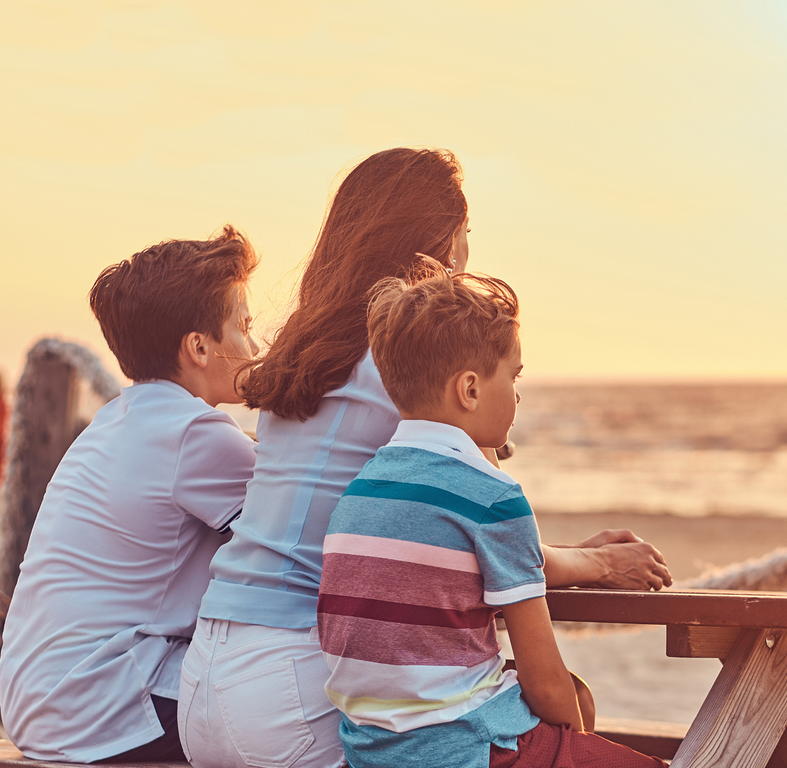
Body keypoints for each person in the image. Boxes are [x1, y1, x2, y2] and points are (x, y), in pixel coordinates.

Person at [179, 147, 672, 768]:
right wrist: (596, 564)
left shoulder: (303, 356)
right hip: (296, 690)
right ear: (442, 245)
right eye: (466, 236)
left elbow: (423, 534)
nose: (467, 256)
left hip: (206, 676)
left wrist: (562, 555)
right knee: (550, 710)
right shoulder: (401, 366)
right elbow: (470, 523)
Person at [319, 267, 666, 768]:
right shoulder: (493, 498)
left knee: (579, 700)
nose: (519, 394)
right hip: (469, 750)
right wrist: (575, 752)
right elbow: (544, 684)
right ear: (470, 390)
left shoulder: (361, 492)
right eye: (514, 375)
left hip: (373, 753)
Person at [0, 227, 259, 763]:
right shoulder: (196, 433)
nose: (255, 347)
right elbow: (301, 531)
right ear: (200, 347)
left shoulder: (116, 420)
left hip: (38, 702)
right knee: (297, 694)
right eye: (246, 327)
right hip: (103, 708)